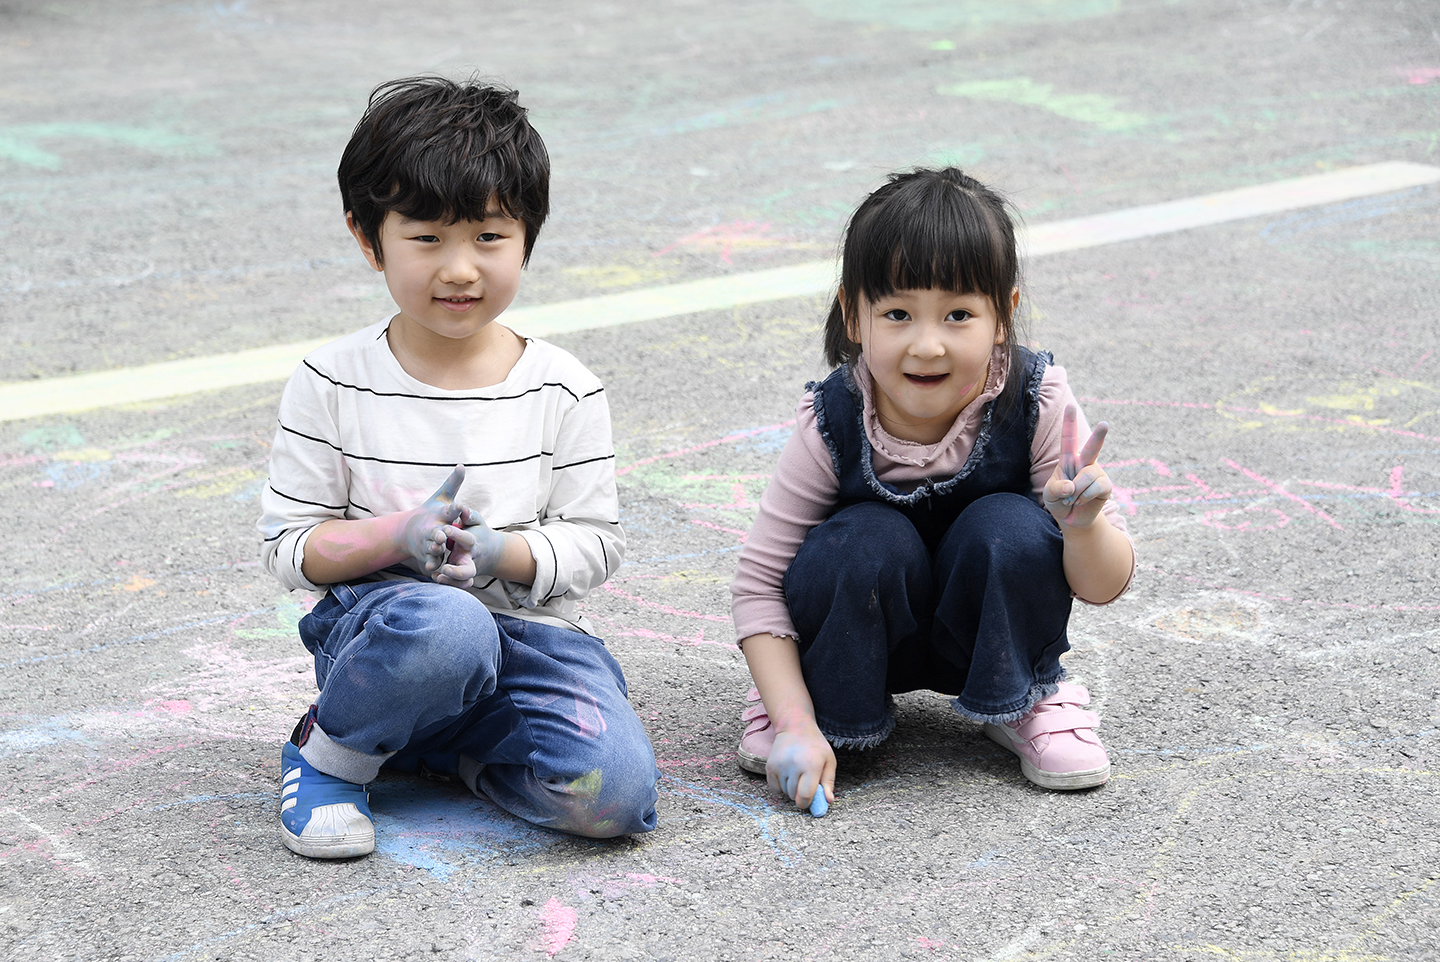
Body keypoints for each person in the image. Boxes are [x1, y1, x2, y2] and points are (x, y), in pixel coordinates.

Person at [257, 76, 659, 859]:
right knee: (448, 624)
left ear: (527, 237)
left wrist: (503, 553)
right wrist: (396, 539)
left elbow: (596, 541)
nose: (461, 269)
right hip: (394, 632)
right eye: (427, 237)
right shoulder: (331, 380)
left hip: (534, 636)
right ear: (368, 237)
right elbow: (291, 546)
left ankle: (443, 748)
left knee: (612, 799)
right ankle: (331, 757)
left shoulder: (564, 386)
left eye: (488, 237)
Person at [729, 167, 1136, 812]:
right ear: (852, 313)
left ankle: (1024, 692)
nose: (927, 344)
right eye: (897, 312)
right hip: (860, 638)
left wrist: (1084, 526)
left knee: (1011, 526)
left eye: (958, 314)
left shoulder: (1038, 401)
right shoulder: (834, 418)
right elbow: (759, 583)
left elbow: (1103, 584)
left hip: (985, 637)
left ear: (1004, 314)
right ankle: (813, 696)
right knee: (864, 539)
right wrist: (796, 722)